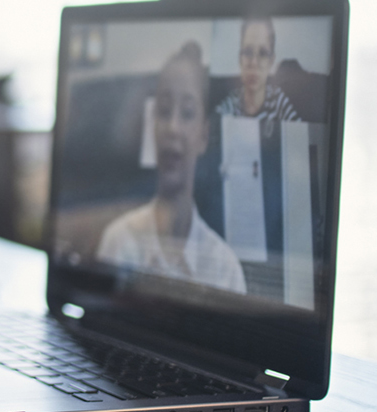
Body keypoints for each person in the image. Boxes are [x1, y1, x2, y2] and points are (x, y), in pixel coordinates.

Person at [96, 41, 247, 293]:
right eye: (164, 111)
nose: (172, 128)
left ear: (204, 135)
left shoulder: (226, 270)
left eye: (187, 113)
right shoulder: (118, 242)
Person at [215, 17, 300, 121]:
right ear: (240, 58)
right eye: (248, 52)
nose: (254, 63)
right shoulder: (229, 106)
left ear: (271, 61)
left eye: (263, 53)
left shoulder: (279, 102)